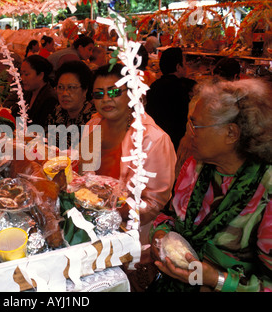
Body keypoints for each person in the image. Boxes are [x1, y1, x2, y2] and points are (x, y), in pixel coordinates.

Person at [149, 78, 272, 292]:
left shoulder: (266, 189)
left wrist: (215, 279)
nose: (189, 133)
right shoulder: (195, 167)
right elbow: (170, 217)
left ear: (231, 133)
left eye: (196, 125)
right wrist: (160, 235)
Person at [80, 63, 177, 291]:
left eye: (114, 92)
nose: (106, 99)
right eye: (98, 94)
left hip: (129, 244)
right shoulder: (92, 126)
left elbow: (153, 203)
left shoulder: (153, 139)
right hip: (88, 234)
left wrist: (109, 215)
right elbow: (82, 175)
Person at [146, 47, 197, 151]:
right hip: (177, 144)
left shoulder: (154, 86)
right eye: (185, 64)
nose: (187, 67)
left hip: (154, 142)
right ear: (178, 67)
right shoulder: (186, 87)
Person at [46, 60, 96, 150]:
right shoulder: (57, 112)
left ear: (85, 90)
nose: (65, 93)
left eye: (71, 87)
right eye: (60, 87)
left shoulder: (93, 118)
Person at [10, 55, 58, 130]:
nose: (22, 78)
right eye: (21, 74)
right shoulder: (27, 93)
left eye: (26, 74)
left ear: (41, 75)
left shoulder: (50, 99)